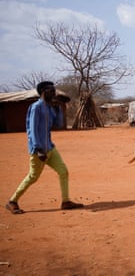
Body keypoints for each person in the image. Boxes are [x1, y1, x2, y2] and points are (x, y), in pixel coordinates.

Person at [5, 81, 84, 214]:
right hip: (39, 150)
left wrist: (58, 108)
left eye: (54, 91)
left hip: (50, 148)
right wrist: (38, 149)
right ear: (43, 92)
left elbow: (58, 124)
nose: (54, 93)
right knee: (33, 177)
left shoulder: (49, 107)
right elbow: (32, 130)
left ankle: (65, 201)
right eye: (51, 91)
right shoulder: (36, 107)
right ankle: (12, 201)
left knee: (63, 171)